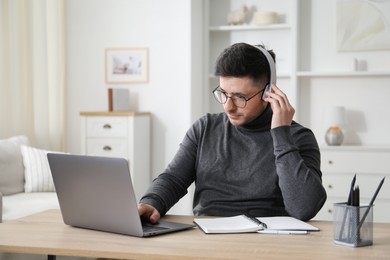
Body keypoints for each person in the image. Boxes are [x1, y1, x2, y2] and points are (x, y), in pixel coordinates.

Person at [138, 42, 327, 223]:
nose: (228, 106)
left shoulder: (298, 137)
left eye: (240, 97)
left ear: (268, 92)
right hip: (208, 238)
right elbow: (173, 178)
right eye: (223, 93)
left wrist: (281, 134)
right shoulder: (205, 128)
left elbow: (303, 209)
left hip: (269, 242)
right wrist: (152, 202)